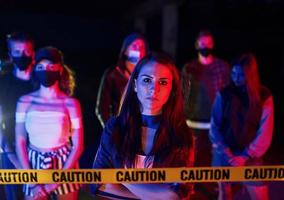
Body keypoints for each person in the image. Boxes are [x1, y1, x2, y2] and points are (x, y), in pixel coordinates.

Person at [92, 53, 194, 200]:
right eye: (147, 80)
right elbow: (97, 181)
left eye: (163, 82)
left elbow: (177, 193)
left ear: (172, 90)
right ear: (134, 85)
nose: (154, 89)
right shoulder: (115, 127)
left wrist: (122, 180)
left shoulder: (181, 135)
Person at [15, 46, 84, 200]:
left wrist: (56, 181)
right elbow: (20, 140)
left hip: (65, 163)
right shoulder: (24, 102)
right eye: (41, 67)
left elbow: (78, 145)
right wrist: (31, 180)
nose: (45, 70)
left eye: (51, 66)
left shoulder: (71, 103)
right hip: (33, 163)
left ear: (60, 69)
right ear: (35, 70)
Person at [210, 53, 274, 200]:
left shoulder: (264, 96)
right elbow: (215, 126)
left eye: (241, 75)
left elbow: (265, 132)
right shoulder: (224, 94)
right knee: (225, 194)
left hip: (251, 156)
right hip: (225, 154)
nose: (236, 78)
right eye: (233, 73)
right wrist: (227, 153)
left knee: (260, 195)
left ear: (250, 75)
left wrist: (245, 155)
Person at [181, 30, 230, 199]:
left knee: (217, 159)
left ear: (213, 45)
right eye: (202, 43)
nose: (205, 47)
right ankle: (189, 187)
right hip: (193, 123)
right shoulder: (189, 68)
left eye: (208, 43)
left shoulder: (222, 67)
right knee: (191, 157)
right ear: (196, 45)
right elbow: (183, 94)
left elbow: (227, 94)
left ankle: (218, 188)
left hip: (215, 122)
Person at [0, 32, 35, 200]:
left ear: (33, 53)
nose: (22, 55)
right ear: (10, 55)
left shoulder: (42, 83)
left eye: (26, 51)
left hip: (42, 151)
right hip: (10, 151)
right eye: (17, 52)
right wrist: (15, 160)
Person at [95, 33, 149, 128]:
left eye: (141, 46)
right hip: (120, 129)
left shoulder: (149, 75)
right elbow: (102, 108)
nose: (138, 49)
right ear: (125, 50)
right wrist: (111, 129)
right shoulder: (113, 74)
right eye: (134, 45)